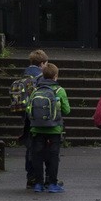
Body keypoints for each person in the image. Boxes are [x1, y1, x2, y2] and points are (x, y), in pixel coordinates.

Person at [28, 62, 70, 193]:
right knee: (53, 156)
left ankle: (38, 184)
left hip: (37, 129)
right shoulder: (59, 90)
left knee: (37, 157)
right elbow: (67, 110)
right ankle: (52, 183)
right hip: (54, 129)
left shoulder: (35, 90)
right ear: (55, 76)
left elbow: (29, 109)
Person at [17, 49, 48, 189]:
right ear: (42, 63)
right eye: (46, 63)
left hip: (26, 115)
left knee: (30, 147)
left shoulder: (25, 76)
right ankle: (39, 177)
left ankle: (30, 176)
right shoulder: (41, 77)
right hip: (38, 116)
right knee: (40, 147)